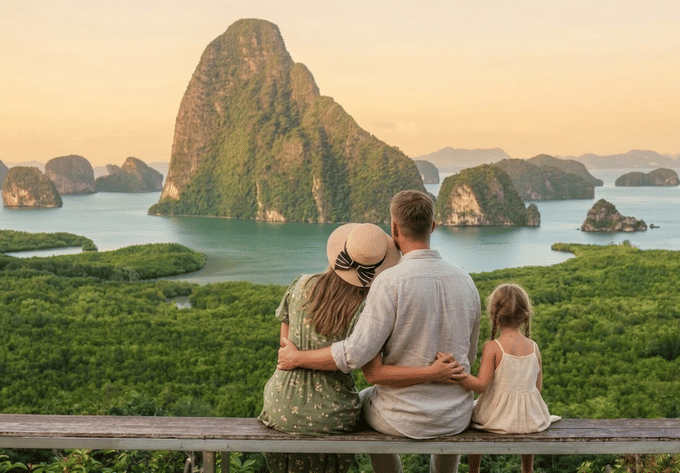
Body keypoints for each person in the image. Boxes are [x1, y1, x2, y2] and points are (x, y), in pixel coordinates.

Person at [278, 190, 482, 473]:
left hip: (400, 417)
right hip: (455, 416)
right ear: (433, 226)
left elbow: (353, 355)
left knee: (361, 401)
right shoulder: (466, 281)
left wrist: (297, 358)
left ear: (394, 228)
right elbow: (467, 357)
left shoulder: (388, 283)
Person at [452, 283, 560, 473]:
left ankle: (474, 470)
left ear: (494, 314)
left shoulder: (493, 347)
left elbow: (481, 386)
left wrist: (456, 375)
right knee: (523, 417)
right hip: (531, 419)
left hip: (496, 418)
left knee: (470, 411)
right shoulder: (534, 347)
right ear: (525, 314)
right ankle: (527, 469)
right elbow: (537, 387)